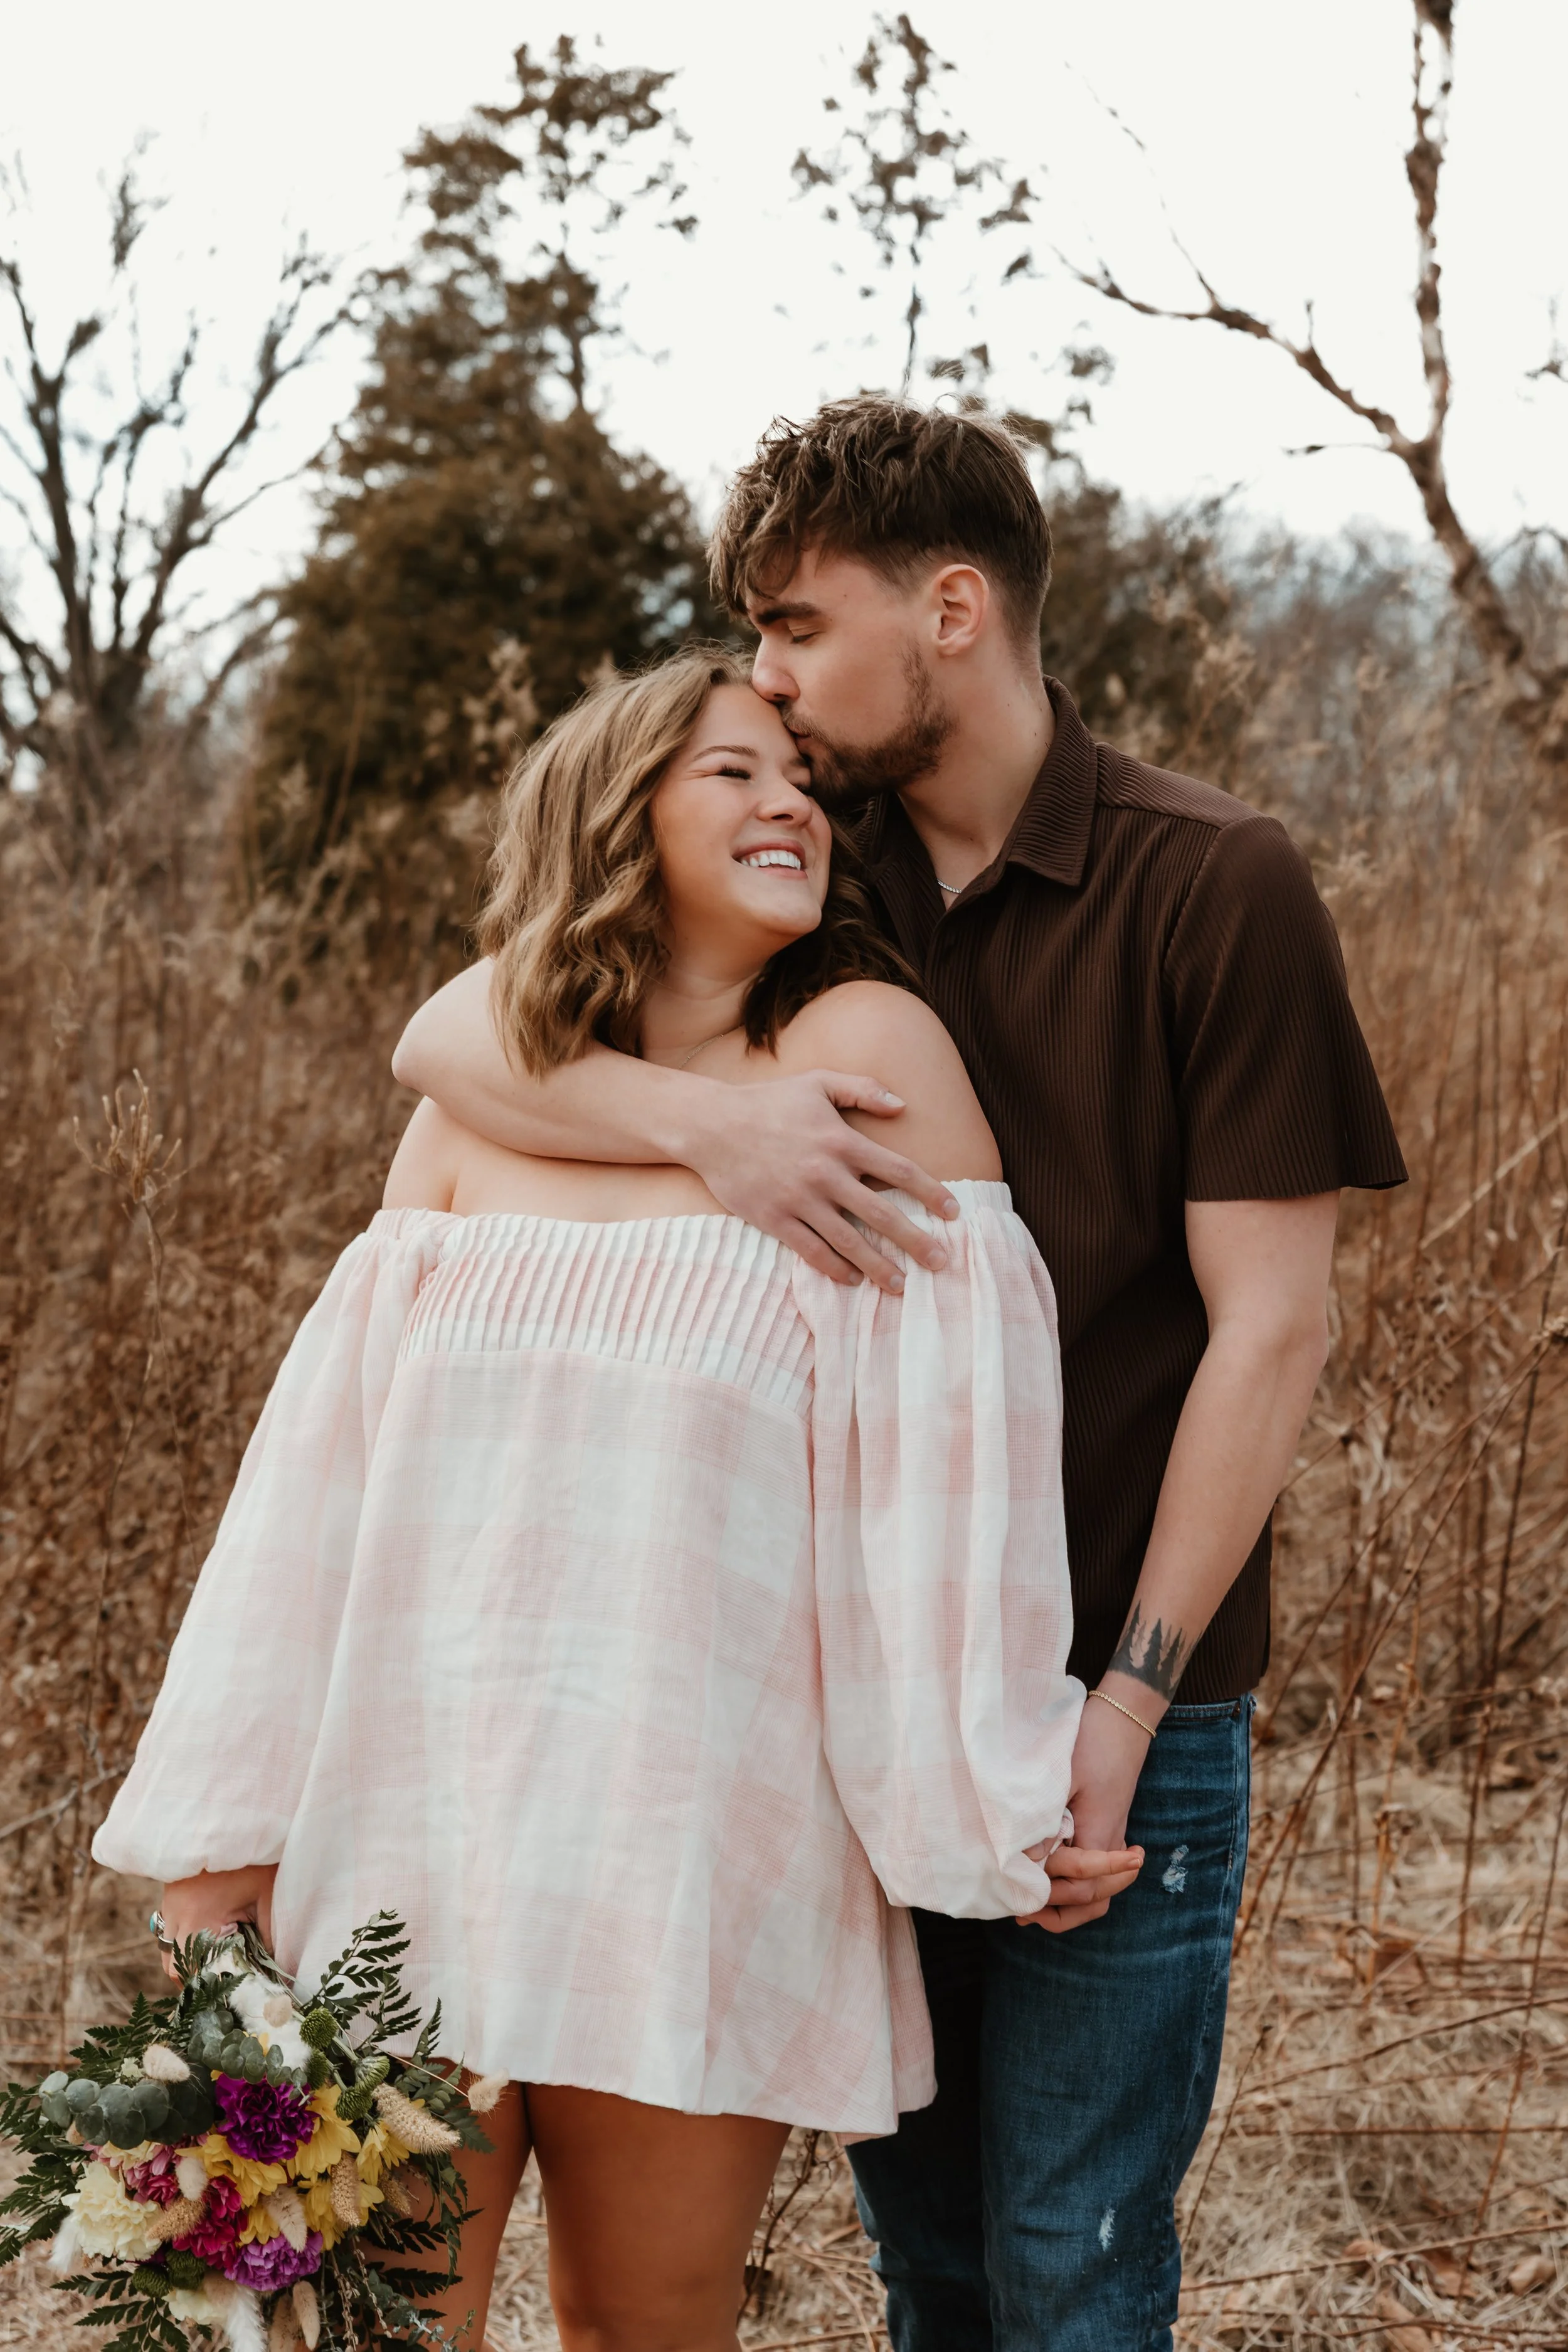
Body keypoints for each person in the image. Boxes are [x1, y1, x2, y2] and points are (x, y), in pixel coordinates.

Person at [393, 400, 1409, 2350]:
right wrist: (712, 1128)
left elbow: (1269, 1329)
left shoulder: (1213, 882)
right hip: (852, 1691)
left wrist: (1124, 1702)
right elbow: (454, 1030)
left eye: (794, 625)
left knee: (1071, 2254)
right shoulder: (805, 862)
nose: (766, 676)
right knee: (929, 2259)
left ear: (950, 608)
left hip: (1120, 1690)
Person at [94, 645, 1136, 2352]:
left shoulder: (864, 1057)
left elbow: (944, 1478)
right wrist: (224, 1835)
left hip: (689, 1842)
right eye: (734, 769)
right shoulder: (474, 1099)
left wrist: (991, 1786)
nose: (792, 801)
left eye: (802, 778)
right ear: (617, 808)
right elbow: (319, 1497)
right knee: (364, 2326)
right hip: (405, 1830)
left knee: (644, 2325)